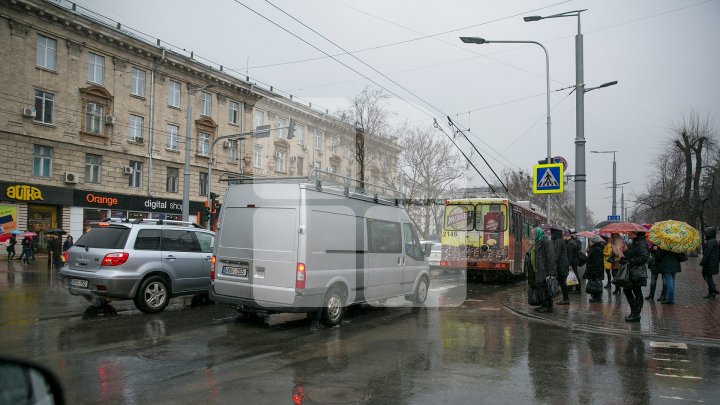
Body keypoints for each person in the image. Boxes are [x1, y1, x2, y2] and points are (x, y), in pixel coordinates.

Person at [621, 231, 651, 322]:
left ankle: (636, 313)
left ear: (635, 233)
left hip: (637, 272)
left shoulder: (640, 243)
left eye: (630, 233)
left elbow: (644, 257)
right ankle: (634, 312)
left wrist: (631, 261)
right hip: (633, 271)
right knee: (628, 290)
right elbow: (633, 254)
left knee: (636, 291)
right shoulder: (635, 242)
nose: (628, 234)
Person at [532, 227, 557, 313]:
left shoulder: (545, 241)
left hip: (544, 270)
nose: (533, 236)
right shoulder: (539, 241)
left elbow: (551, 257)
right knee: (542, 287)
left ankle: (547, 306)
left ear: (538, 233)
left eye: (534, 234)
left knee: (545, 288)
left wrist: (550, 272)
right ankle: (544, 305)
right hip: (540, 269)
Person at [699, 227, 719, 298]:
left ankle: (712, 290)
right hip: (713, 263)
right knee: (707, 275)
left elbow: (707, 255)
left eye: (705, 234)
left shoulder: (709, 243)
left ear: (709, 234)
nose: (704, 235)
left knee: (707, 275)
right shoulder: (714, 241)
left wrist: (702, 263)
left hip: (709, 264)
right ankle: (712, 290)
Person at [551, 228, 569, 305]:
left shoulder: (558, 241)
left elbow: (556, 254)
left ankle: (566, 299)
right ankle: (565, 298)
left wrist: (552, 262)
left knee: (562, 282)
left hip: (561, 265)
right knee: (562, 282)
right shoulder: (561, 240)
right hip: (563, 264)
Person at [584, 238, 606, 302]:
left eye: (590, 241)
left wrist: (594, 271)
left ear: (593, 242)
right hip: (595, 270)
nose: (589, 242)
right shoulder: (595, 248)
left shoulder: (596, 249)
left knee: (596, 283)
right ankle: (595, 296)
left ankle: (596, 298)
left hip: (595, 270)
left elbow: (596, 262)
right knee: (596, 283)